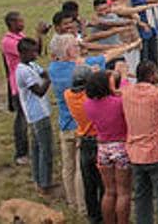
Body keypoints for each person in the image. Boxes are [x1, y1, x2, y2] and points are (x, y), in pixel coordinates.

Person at [49, 32, 137, 218]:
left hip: (67, 125)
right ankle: (94, 211)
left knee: (70, 168)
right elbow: (107, 61)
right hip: (95, 136)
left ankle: (76, 205)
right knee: (99, 183)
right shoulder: (92, 101)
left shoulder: (55, 71)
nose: (78, 48)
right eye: (75, 46)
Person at [122, 60, 158, 224]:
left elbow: (123, 82)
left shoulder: (126, 93)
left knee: (141, 197)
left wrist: (126, 74)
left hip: (135, 154)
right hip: (157, 153)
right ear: (152, 75)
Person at [84, 64, 133, 224]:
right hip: (120, 146)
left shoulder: (88, 104)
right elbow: (126, 92)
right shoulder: (117, 102)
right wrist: (124, 77)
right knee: (123, 192)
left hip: (103, 148)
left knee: (109, 191)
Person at [3, 10, 48, 166]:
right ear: (12, 23)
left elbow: (36, 52)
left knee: (31, 116)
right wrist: (38, 34)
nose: (23, 24)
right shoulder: (8, 41)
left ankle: (34, 147)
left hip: (30, 81)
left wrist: (40, 36)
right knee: (21, 119)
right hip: (20, 85)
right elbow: (32, 51)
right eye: (20, 21)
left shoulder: (20, 37)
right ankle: (21, 153)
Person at [65, 64, 106, 224]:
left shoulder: (68, 95)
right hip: (98, 141)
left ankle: (93, 217)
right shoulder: (91, 99)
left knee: (89, 185)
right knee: (103, 184)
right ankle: (105, 215)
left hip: (84, 143)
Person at [15, 37, 54, 196]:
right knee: (45, 150)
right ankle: (44, 184)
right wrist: (49, 79)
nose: (36, 54)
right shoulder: (22, 71)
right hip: (37, 114)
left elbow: (43, 72)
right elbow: (39, 91)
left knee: (37, 148)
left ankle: (39, 180)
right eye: (33, 52)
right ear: (23, 53)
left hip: (40, 112)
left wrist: (46, 75)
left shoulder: (31, 64)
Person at [130, 0, 158, 66]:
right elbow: (148, 1)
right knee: (144, 54)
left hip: (152, 27)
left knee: (154, 53)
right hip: (143, 29)